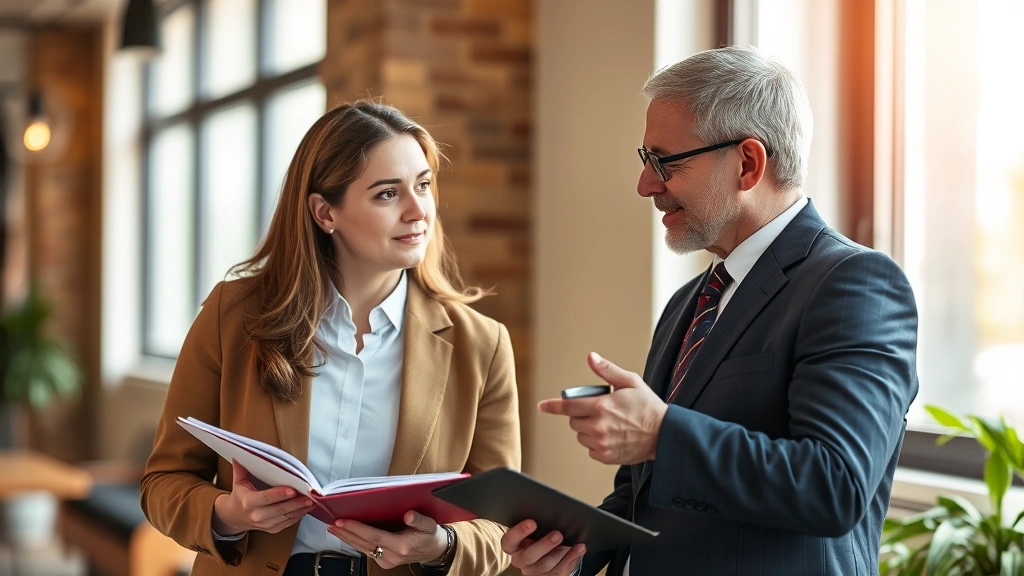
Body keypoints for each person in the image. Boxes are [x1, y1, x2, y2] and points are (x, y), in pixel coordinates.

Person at [502, 45, 919, 575]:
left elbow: (833, 486)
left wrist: (661, 433)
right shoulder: (688, 303)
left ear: (748, 163)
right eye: (644, 160)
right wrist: (572, 554)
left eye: (666, 161)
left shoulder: (855, 284)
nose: (646, 185)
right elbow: (643, 497)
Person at [141, 100, 520, 576]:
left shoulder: (482, 346)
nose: (417, 209)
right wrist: (229, 514)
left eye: (424, 185)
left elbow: (502, 525)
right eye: (387, 194)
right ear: (325, 212)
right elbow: (163, 480)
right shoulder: (232, 315)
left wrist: (442, 546)